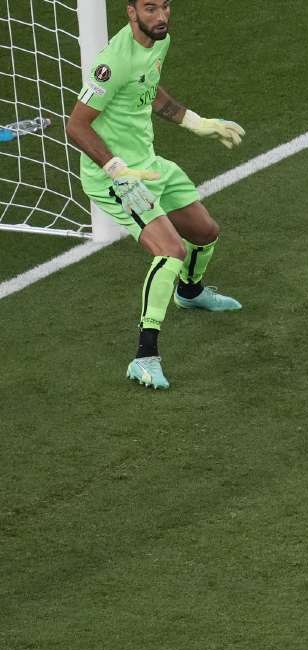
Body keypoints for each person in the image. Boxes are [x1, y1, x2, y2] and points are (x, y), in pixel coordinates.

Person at [67, 0, 245, 390]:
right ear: (131, 12)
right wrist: (116, 170)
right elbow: (76, 126)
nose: (161, 16)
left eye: (165, 7)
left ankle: (191, 291)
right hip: (115, 177)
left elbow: (150, 88)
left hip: (149, 166)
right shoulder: (111, 63)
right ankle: (144, 357)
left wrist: (195, 122)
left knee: (204, 232)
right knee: (170, 250)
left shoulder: (159, 42)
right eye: (150, 9)